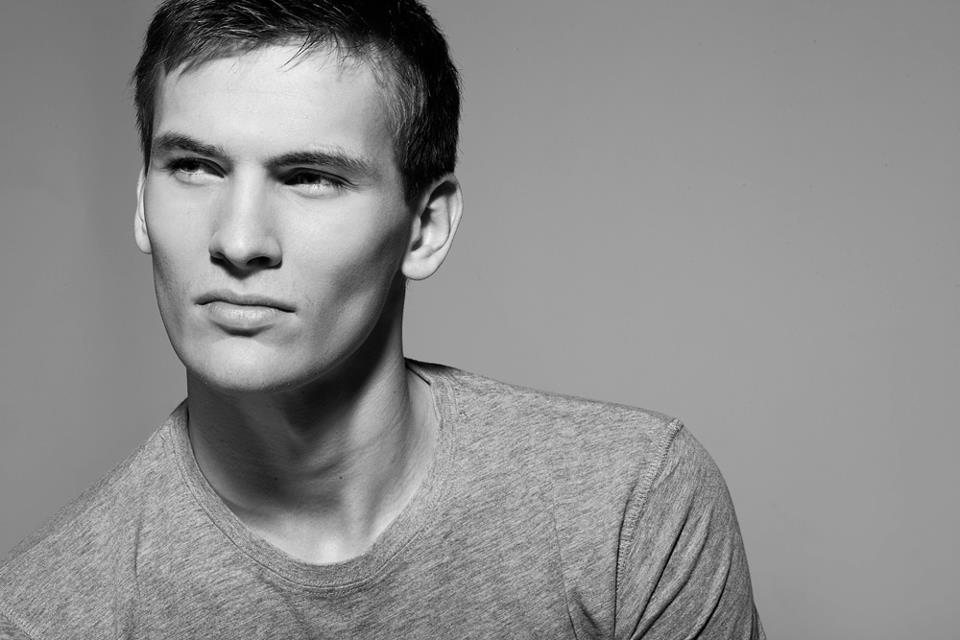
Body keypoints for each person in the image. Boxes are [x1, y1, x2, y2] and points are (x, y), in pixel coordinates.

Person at [0, 0, 764, 637]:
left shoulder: (630, 507)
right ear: (142, 203)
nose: (237, 240)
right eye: (194, 168)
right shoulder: (44, 615)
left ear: (424, 229)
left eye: (311, 177)